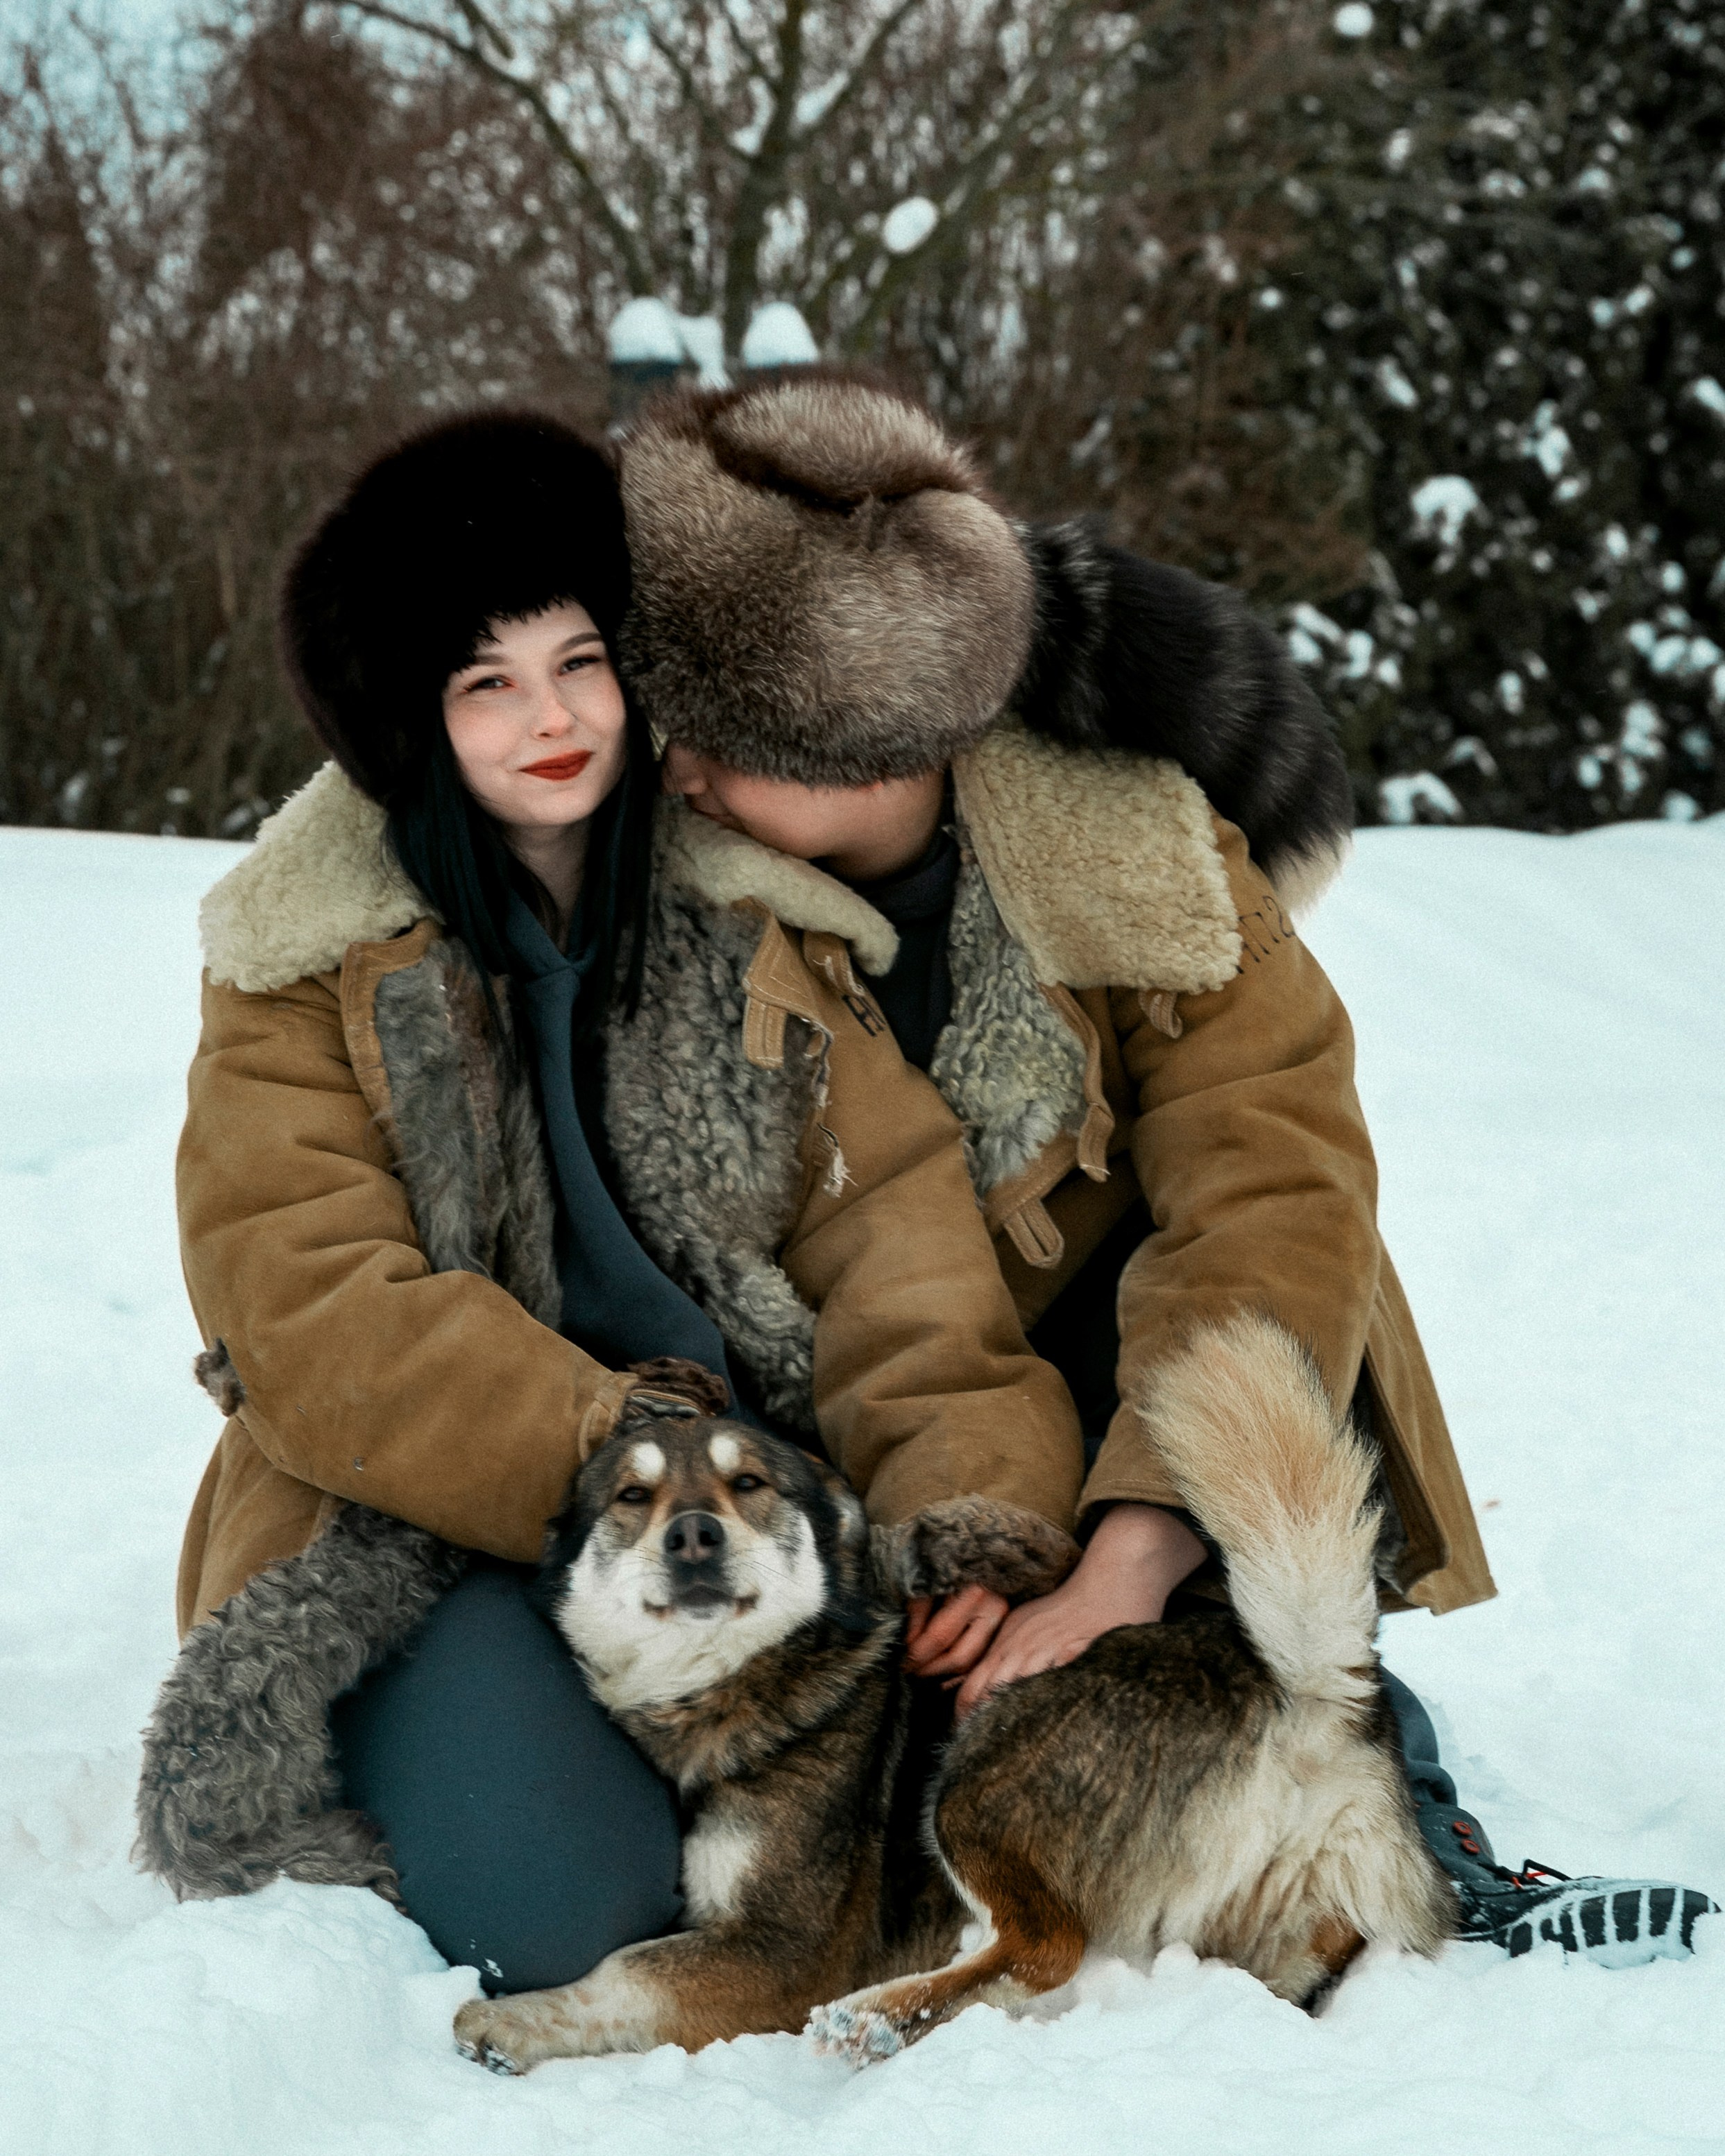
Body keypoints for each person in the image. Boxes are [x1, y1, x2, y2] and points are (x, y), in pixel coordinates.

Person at [617, 368, 1717, 1969]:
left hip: (1138, 1347)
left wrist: (1134, 1548)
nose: (685, 775)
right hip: (865, 1387)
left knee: (1258, 1555)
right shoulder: (695, 895)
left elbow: (1271, 1185)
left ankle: (1422, 1848)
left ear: (862, 736)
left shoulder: (1138, 854)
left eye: (725, 737)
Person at [134, 410, 1084, 1996]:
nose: (551, 719)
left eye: (580, 661)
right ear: (412, 716)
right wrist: (607, 1435)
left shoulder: (750, 922)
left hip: (732, 1524)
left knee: (967, 1794)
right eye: (484, 682)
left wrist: (963, 1520)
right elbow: (306, 1307)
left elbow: (901, 1264)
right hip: (419, 1521)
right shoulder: (306, 969)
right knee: (577, 1914)